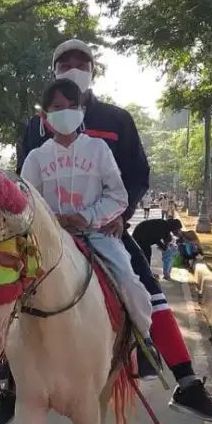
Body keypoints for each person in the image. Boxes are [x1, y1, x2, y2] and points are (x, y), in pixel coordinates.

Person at [0, 37, 212, 424]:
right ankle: (12, 388)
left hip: (104, 226)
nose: (73, 68)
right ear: (55, 73)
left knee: (147, 291)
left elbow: (135, 176)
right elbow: (25, 187)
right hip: (48, 235)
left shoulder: (116, 120)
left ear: (92, 71)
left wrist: (119, 216)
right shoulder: (34, 128)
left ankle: (185, 383)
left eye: (81, 62)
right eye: (65, 63)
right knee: (10, 290)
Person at [22, 78, 153, 336]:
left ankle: (142, 339)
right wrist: (53, 220)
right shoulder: (36, 157)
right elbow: (26, 201)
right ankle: (8, 354)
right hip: (49, 240)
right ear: (46, 115)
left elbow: (117, 195)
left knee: (129, 281)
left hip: (96, 235)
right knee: (13, 288)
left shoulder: (98, 149)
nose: (66, 112)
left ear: (81, 111)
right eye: (59, 106)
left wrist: (86, 216)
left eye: (73, 106)